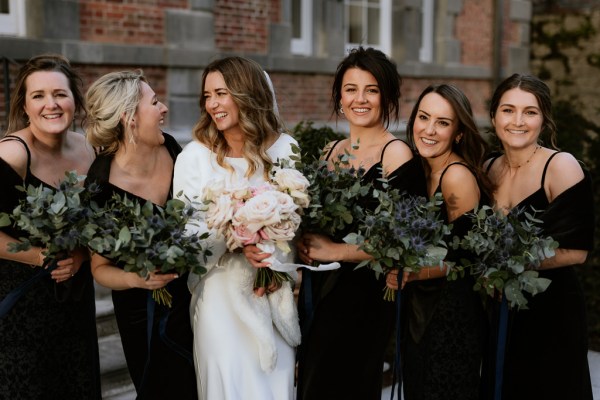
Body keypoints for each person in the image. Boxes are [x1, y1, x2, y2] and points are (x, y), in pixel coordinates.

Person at [295, 47, 427, 400]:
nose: (360, 99)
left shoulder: (396, 154)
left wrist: (335, 250)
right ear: (339, 97)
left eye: (371, 89)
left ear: (387, 97)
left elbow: (404, 241)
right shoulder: (329, 152)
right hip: (320, 290)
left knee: (347, 383)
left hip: (364, 296)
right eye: (351, 89)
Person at [173, 56, 301, 400]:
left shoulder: (285, 149)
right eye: (207, 96)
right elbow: (186, 238)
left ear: (247, 94)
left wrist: (279, 264)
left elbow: (296, 222)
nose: (212, 104)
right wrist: (234, 236)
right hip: (218, 297)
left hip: (270, 289)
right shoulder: (194, 157)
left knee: (275, 384)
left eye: (221, 93)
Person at [84, 70, 197, 400]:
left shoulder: (176, 152)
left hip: (193, 301)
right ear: (130, 118)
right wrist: (136, 277)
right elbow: (99, 269)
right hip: (142, 315)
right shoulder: (100, 188)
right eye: (155, 102)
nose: (164, 109)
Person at [484, 73, 594, 400]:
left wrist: (508, 268)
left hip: (551, 309)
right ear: (493, 116)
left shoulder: (561, 166)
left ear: (543, 120)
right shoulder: (487, 167)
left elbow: (576, 251)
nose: (518, 121)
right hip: (497, 306)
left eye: (530, 112)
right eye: (508, 110)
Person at [0, 54, 100, 399]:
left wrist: (83, 256)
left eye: (60, 94)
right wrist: (40, 256)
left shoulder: (91, 150)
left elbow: (104, 222)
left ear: (74, 99)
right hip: (21, 306)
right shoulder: (12, 155)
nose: (51, 104)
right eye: (38, 96)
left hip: (75, 302)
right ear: (25, 106)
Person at [386, 83, 493, 400]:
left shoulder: (456, 176)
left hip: (452, 319)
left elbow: (469, 260)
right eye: (423, 117)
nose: (429, 130)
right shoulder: (420, 169)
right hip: (421, 311)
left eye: (443, 123)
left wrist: (413, 272)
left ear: (458, 133)